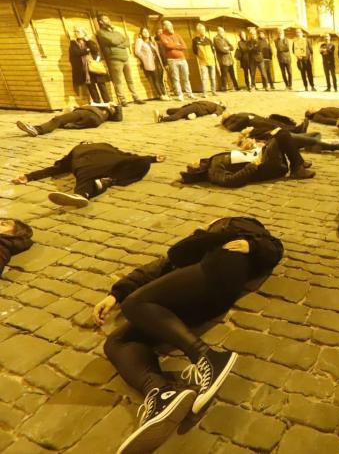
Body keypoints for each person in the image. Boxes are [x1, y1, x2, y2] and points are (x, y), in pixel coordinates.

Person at [95, 217, 283, 453]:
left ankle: (208, 357)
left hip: (218, 270)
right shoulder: (191, 245)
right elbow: (155, 269)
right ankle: (161, 392)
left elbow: (274, 246)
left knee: (134, 304)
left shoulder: (239, 229)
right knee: (116, 341)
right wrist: (115, 295)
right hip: (188, 299)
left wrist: (252, 245)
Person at [11, 142, 164, 208]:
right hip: (89, 165)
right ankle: (83, 194)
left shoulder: (105, 145)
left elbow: (127, 155)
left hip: (111, 162)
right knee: (86, 175)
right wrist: (30, 176)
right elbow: (57, 168)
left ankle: (107, 182)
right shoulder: (76, 150)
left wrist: (151, 159)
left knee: (142, 163)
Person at [180, 130, 315, 186]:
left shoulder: (212, 161)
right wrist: (252, 166)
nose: (193, 161)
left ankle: (298, 162)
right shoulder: (213, 171)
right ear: (197, 170)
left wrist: (253, 149)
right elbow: (231, 181)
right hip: (265, 166)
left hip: (261, 156)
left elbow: (238, 159)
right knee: (282, 135)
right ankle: (297, 168)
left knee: (276, 134)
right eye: (192, 165)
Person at [96, 14, 144, 106]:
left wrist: (118, 44)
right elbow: (112, 41)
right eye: (105, 19)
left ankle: (136, 97)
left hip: (125, 58)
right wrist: (120, 42)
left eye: (108, 18)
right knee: (118, 81)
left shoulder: (116, 32)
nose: (108, 20)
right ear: (100, 22)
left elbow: (127, 42)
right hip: (114, 59)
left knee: (130, 80)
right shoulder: (101, 33)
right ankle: (122, 100)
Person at [17, 103, 123, 136]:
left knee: (58, 119)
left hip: (87, 113)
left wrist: (113, 105)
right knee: (63, 123)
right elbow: (119, 118)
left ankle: (37, 129)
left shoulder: (99, 106)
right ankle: (68, 125)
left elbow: (119, 116)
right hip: (95, 121)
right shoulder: (107, 115)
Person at [69, 26, 111, 104]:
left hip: (94, 65)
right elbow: (75, 53)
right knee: (91, 86)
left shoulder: (89, 41)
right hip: (84, 68)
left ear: (83, 32)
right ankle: (97, 102)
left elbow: (95, 50)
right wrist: (87, 50)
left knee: (101, 84)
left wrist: (87, 41)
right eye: (75, 31)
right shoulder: (73, 43)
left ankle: (107, 101)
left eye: (78, 31)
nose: (76, 33)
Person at [159, 20, 195, 102]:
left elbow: (184, 46)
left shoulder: (177, 35)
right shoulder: (162, 36)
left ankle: (189, 93)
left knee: (186, 77)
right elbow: (167, 45)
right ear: (164, 27)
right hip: (172, 60)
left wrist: (174, 46)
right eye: (168, 25)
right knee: (176, 78)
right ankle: (180, 95)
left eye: (171, 25)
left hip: (182, 59)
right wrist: (178, 45)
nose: (170, 27)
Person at [135, 27, 170, 100]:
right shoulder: (140, 41)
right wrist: (144, 57)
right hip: (150, 62)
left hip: (158, 61)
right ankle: (161, 95)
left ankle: (164, 94)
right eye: (144, 32)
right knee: (155, 79)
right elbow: (137, 52)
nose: (146, 33)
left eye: (147, 31)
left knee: (160, 79)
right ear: (141, 34)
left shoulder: (152, 42)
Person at [192, 23, 217, 98]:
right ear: (198, 31)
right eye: (201, 30)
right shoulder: (195, 40)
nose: (203, 31)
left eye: (203, 29)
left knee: (213, 77)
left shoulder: (209, 40)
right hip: (203, 62)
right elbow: (195, 51)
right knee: (204, 78)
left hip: (211, 61)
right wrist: (201, 57)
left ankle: (213, 91)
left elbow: (213, 50)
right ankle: (205, 93)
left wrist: (212, 57)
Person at [214, 27, 239, 92]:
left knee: (232, 74)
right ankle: (224, 88)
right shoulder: (216, 39)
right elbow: (221, 49)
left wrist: (226, 48)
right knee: (224, 75)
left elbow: (232, 47)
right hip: (223, 61)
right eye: (221, 31)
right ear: (218, 32)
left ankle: (236, 86)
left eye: (223, 31)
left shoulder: (225, 39)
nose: (223, 33)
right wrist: (227, 49)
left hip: (229, 60)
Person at [154, 100, 225, 123]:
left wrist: (215, 115)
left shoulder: (218, 106)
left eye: (220, 102)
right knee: (169, 110)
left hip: (197, 107)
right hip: (193, 107)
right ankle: (190, 115)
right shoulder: (213, 104)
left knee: (179, 114)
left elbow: (219, 111)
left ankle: (161, 119)